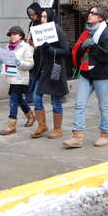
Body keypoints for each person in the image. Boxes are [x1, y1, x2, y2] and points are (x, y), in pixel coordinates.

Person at [65, 6, 108, 148]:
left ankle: (105, 134)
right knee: (79, 104)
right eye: (90, 12)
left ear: (101, 18)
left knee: (103, 106)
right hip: (86, 74)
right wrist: (82, 47)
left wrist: (94, 47)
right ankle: (77, 137)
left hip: (102, 76)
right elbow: (79, 52)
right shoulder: (86, 32)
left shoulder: (105, 33)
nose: (89, 15)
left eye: (93, 13)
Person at [29, 8, 69, 139]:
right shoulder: (41, 30)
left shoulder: (58, 30)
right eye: (42, 17)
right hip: (43, 69)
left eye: (45, 17)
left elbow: (65, 51)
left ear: (51, 17)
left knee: (55, 100)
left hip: (55, 69)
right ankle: (42, 125)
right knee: (36, 98)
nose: (42, 19)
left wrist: (50, 49)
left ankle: (58, 129)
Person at [0, 26, 35, 135]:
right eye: (11, 34)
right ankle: (30, 116)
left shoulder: (26, 47)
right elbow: (8, 60)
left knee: (13, 101)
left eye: (15, 34)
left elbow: (30, 64)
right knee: (18, 99)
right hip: (11, 77)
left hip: (21, 78)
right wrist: (2, 62)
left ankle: (11, 125)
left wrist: (20, 63)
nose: (12, 36)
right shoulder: (8, 46)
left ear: (20, 35)